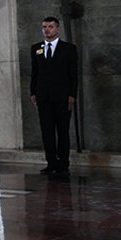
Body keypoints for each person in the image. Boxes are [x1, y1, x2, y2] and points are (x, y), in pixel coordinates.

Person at [29, 17, 78, 175]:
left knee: (62, 131)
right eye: (44, 27)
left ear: (57, 29)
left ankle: (63, 164)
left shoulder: (68, 49)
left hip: (62, 97)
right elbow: (34, 73)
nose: (47, 30)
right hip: (43, 97)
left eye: (50, 27)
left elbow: (73, 74)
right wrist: (33, 92)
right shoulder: (36, 49)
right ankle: (51, 162)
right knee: (47, 131)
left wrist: (72, 94)